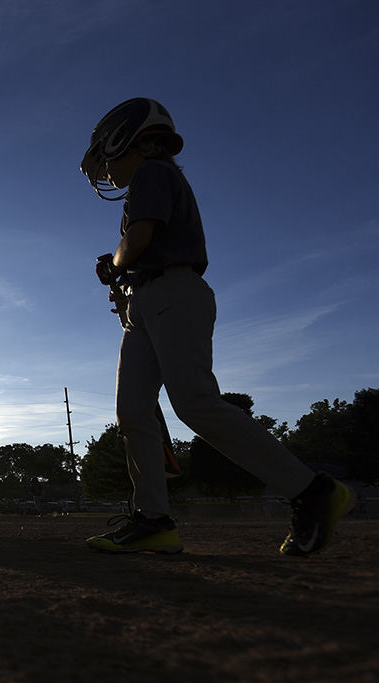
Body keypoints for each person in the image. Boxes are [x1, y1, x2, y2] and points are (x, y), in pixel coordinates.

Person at [79, 97, 356, 555]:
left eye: (108, 159)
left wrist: (114, 263)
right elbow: (140, 246)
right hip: (150, 300)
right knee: (133, 412)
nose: (106, 171)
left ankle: (313, 491)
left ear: (128, 141)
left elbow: (139, 238)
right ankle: (153, 521)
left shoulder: (153, 172)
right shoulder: (151, 180)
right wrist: (125, 277)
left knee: (194, 402)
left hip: (173, 293)